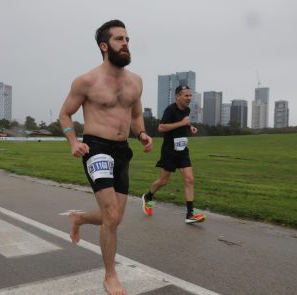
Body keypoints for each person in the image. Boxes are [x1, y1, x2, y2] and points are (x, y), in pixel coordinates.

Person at [59, 19, 152, 295]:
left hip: (123, 150)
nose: (125, 44)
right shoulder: (86, 81)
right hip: (96, 148)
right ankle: (110, 276)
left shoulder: (136, 81)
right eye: (119, 39)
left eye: (127, 39)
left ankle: (79, 219)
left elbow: (136, 115)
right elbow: (65, 114)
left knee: (115, 217)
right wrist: (73, 141)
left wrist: (142, 133)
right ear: (104, 46)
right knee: (111, 214)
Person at [141, 85, 206, 223]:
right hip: (169, 151)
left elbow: (185, 122)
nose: (189, 98)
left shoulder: (187, 110)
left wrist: (190, 126)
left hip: (183, 149)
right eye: (186, 95)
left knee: (189, 179)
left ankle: (190, 214)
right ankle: (148, 196)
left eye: (190, 95)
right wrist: (181, 123)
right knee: (163, 181)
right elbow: (161, 127)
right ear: (178, 97)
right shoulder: (170, 110)